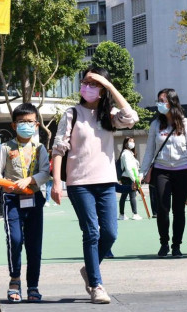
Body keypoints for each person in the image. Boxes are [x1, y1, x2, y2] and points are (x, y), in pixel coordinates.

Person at [51, 66, 138, 305]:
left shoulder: (110, 114)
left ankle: (89, 270)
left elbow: (131, 118)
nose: (88, 87)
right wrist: (57, 182)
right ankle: (96, 285)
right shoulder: (72, 113)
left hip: (107, 181)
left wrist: (109, 86)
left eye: (94, 83)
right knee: (91, 232)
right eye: (85, 82)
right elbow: (59, 148)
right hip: (79, 183)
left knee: (110, 232)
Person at [0, 103, 50, 303]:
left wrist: (31, 180)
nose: (26, 125)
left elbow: (45, 172)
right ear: (14, 125)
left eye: (30, 122)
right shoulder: (6, 147)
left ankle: (33, 285)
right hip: (12, 200)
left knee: (35, 245)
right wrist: (1, 183)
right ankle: (14, 280)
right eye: (22, 122)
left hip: (34, 199)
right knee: (15, 240)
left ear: (37, 125)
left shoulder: (40, 148)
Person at [140, 88, 187, 258]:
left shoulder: (186, 123)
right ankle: (164, 243)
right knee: (162, 208)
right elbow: (149, 151)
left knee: (179, 210)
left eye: (163, 100)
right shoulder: (155, 124)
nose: (159, 103)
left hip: (182, 171)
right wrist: (141, 173)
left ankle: (176, 245)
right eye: (158, 100)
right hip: (161, 171)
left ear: (172, 102)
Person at [117, 137, 141, 221]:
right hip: (128, 177)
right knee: (132, 195)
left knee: (124, 195)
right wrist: (134, 179)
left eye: (133, 142)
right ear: (125, 143)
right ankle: (135, 214)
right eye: (130, 141)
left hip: (129, 177)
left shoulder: (130, 153)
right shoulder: (125, 154)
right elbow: (128, 167)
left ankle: (122, 214)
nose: (132, 143)